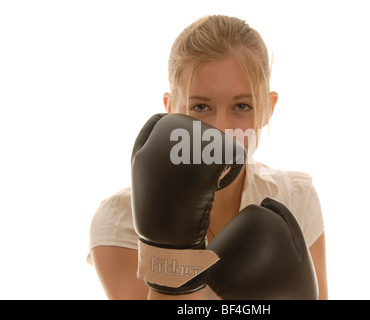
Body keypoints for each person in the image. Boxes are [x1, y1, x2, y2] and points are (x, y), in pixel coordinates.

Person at [87, 15, 328, 300]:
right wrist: (171, 254)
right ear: (170, 110)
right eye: (200, 106)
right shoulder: (120, 220)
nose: (221, 131)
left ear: (267, 108)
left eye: (242, 105)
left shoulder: (295, 198)